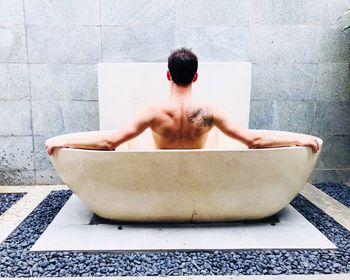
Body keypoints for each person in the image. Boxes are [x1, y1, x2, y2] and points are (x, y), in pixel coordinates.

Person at [45, 47, 320, 155]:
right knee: (217, 138)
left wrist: (64, 141)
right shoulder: (207, 113)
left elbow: (108, 143)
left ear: (168, 74)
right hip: (198, 168)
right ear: (196, 76)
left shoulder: (153, 112)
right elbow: (253, 141)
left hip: (160, 168)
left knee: (132, 140)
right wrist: (297, 140)